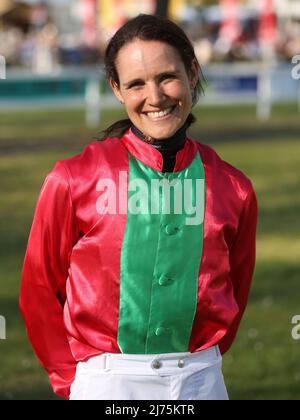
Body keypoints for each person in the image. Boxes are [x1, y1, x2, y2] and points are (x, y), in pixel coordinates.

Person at [20, 14, 258, 401]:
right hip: (104, 382)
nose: (155, 97)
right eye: (136, 84)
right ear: (116, 88)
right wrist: (73, 382)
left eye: (167, 76)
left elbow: (237, 288)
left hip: (202, 380)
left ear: (192, 73)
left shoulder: (235, 189)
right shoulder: (72, 178)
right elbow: (38, 290)